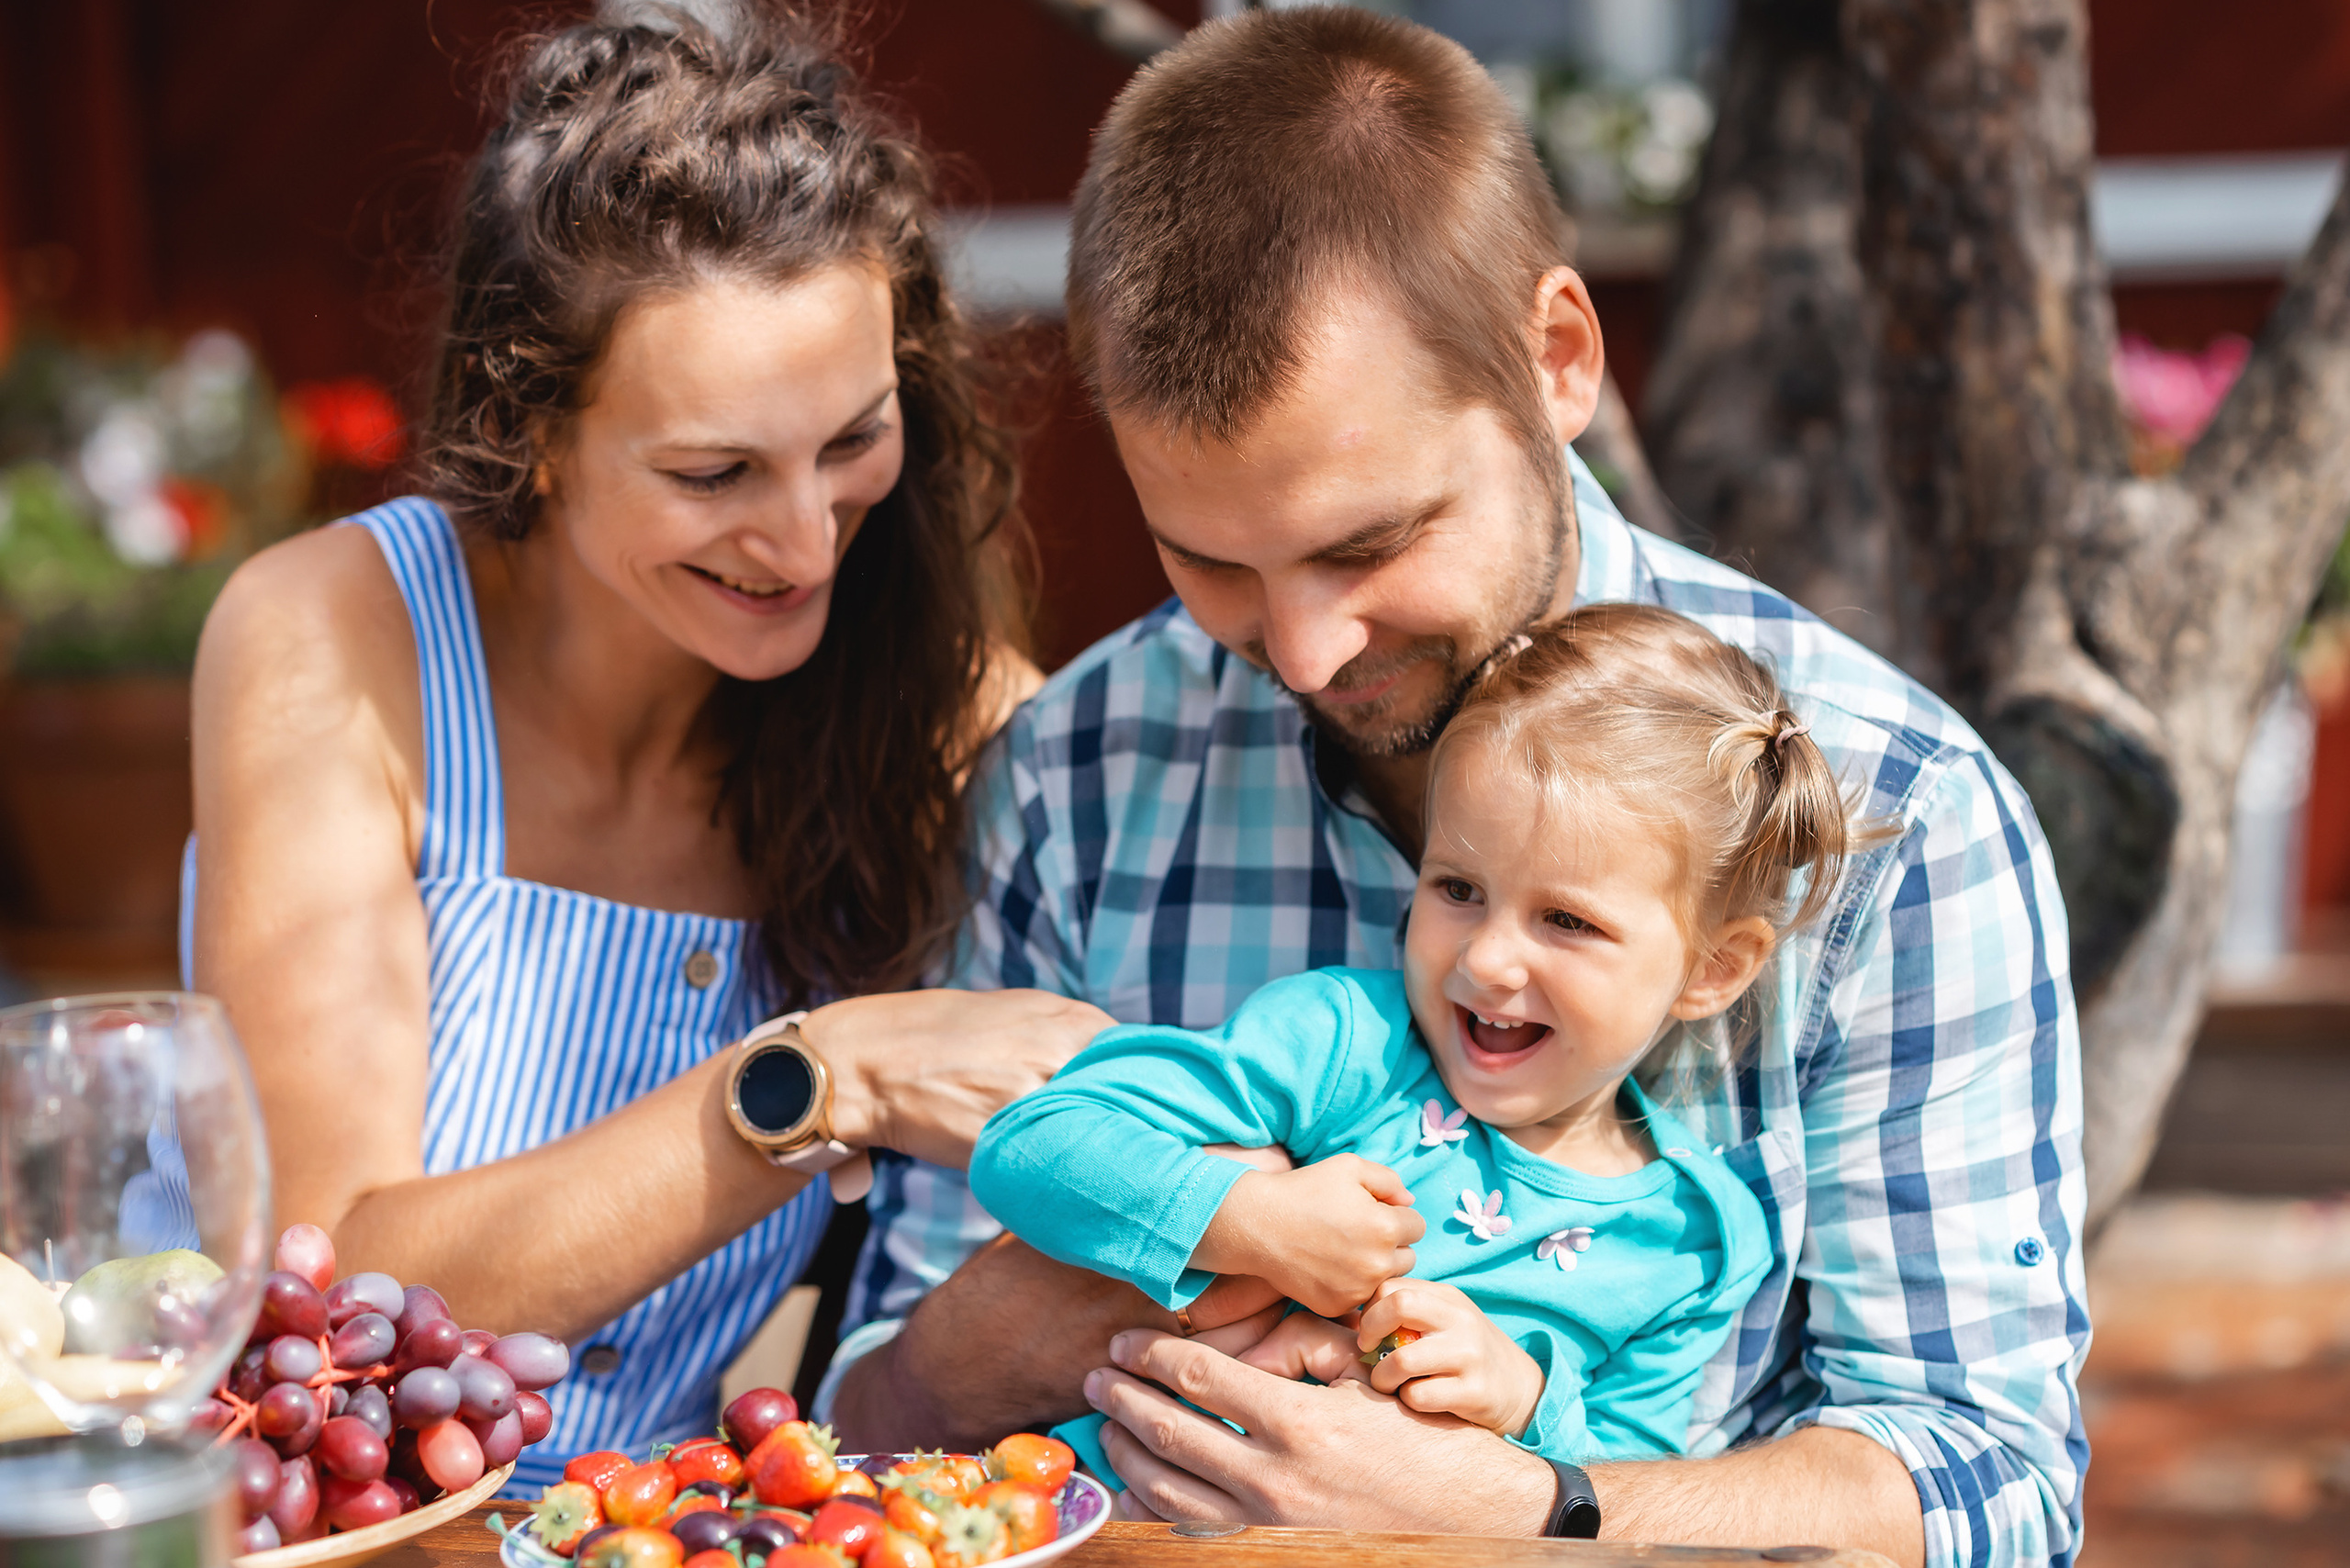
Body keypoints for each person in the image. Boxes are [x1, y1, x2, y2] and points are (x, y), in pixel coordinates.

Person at [823, 11, 2088, 1568]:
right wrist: (982, 1336)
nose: (1297, 649)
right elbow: (869, 1427)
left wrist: (1529, 1505)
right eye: (1210, 557)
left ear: (1557, 360)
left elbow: (1989, 1483)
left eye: (1367, 545)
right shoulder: (1082, 770)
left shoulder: (1892, 814)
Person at [182, 7, 1105, 1487]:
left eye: (854, 439)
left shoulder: (938, 705)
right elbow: (337, 1301)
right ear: (532, 424)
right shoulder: (335, 636)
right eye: (715, 471)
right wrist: (825, 1076)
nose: (807, 541)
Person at [973, 604, 1877, 1479]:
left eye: (1564, 919)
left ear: (1712, 969)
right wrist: (1248, 1219)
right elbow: (1030, 1144)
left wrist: (1527, 1399)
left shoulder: (1690, 1234)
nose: (1486, 960)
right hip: (1131, 1525)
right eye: (1457, 888)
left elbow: (1626, 1492)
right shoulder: (1345, 1042)